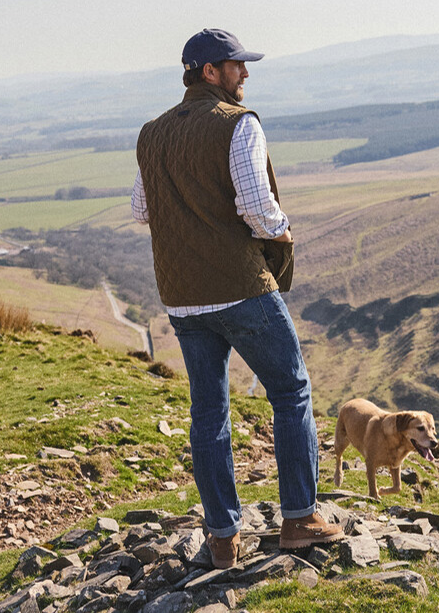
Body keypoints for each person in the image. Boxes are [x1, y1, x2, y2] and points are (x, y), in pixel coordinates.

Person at [130, 28, 344, 569]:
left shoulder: (150, 133)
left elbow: (141, 209)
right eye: (236, 65)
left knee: (208, 413)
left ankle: (223, 538)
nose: (245, 74)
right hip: (240, 288)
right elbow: (256, 205)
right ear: (209, 71)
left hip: (182, 298)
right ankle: (299, 518)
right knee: (292, 391)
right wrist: (282, 230)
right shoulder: (237, 124)